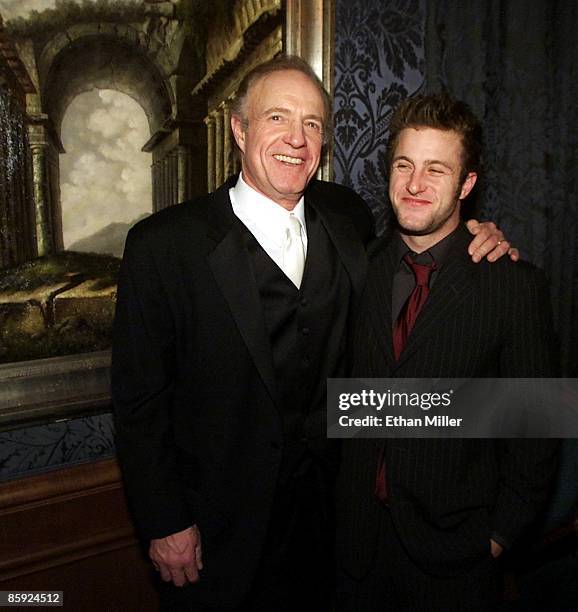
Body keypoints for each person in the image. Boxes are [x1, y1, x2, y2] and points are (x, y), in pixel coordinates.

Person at [112, 57, 511, 612]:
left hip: (336, 529)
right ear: (239, 128)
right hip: (217, 532)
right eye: (277, 117)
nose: (296, 139)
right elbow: (139, 402)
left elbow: (422, 254)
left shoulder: (347, 218)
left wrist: (476, 237)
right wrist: (165, 520)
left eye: (313, 124)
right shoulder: (164, 246)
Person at [336, 94, 559, 611]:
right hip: (355, 550)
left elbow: (538, 431)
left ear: (467, 184)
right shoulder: (355, 270)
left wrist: (499, 535)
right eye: (404, 166)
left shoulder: (513, 287)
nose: (415, 185)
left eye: (436, 170)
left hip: (456, 558)